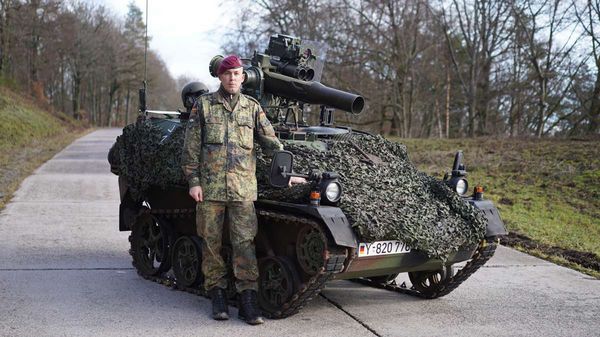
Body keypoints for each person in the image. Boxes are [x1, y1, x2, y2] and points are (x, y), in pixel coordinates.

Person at [181, 55, 282, 325]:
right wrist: (194, 182)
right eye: (228, 74)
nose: (233, 78)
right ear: (220, 77)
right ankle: (218, 295)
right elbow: (190, 149)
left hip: (242, 190)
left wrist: (288, 169)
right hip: (210, 190)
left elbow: (271, 142)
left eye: (237, 74)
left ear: (243, 76)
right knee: (211, 243)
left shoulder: (252, 107)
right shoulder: (203, 106)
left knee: (244, 244)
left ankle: (248, 300)